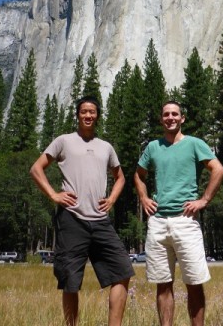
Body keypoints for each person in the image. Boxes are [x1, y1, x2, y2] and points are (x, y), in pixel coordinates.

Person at [30, 95, 134, 326]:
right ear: (77, 115)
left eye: (92, 112)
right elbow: (36, 168)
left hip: (100, 220)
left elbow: (120, 177)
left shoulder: (106, 147)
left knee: (123, 271)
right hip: (71, 219)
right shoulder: (63, 141)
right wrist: (53, 195)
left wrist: (112, 199)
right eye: (84, 111)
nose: (88, 115)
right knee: (70, 280)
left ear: (97, 116)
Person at [134, 100, 223, 326]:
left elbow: (218, 169)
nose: (171, 118)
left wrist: (204, 200)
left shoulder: (194, 144)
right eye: (166, 114)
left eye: (175, 114)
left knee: (194, 283)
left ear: (182, 118)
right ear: (161, 119)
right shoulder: (153, 147)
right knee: (162, 284)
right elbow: (138, 175)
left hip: (185, 221)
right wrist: (144, 198)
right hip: (158, 223)